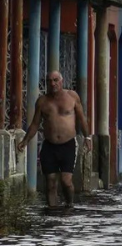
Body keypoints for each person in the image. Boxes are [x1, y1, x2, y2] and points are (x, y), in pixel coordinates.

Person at [15, 71, 89, 209]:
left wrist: (88, 137)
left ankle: (69, 205)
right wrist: (25, 141)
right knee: (50, 183)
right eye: (49, 81)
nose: (52, 83)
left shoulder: (72, 97)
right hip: (49, 145)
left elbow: (82, 118)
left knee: (66, 181)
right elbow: (35, 124)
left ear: (61, 81)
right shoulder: (42, 101)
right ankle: (52, 211)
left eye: (55, 80)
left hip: (68, 144)